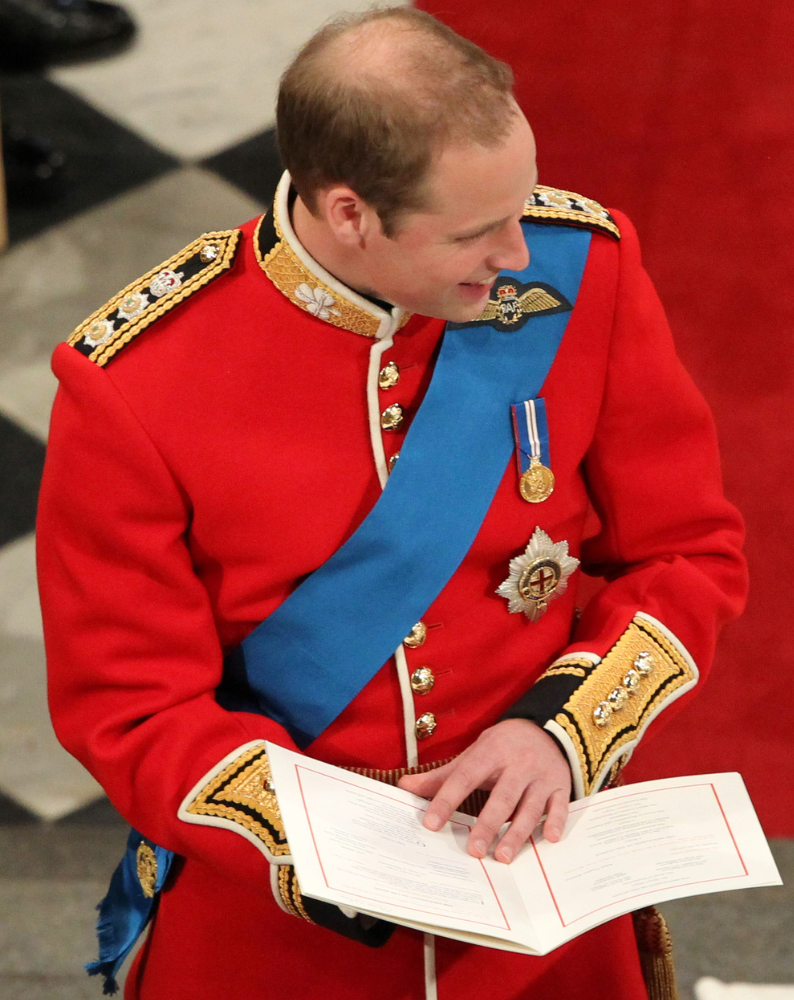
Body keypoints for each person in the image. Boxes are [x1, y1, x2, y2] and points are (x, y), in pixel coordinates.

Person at [37, 8, 746, 1000]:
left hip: (542, 911)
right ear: (349, 215)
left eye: (521, 203)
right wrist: (335, 852)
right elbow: (131, 705)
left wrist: (560, 732)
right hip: (277, 929)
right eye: (472, 232)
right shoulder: (137, 379)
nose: (518, 252)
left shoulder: (590, 268)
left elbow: (688, 555)